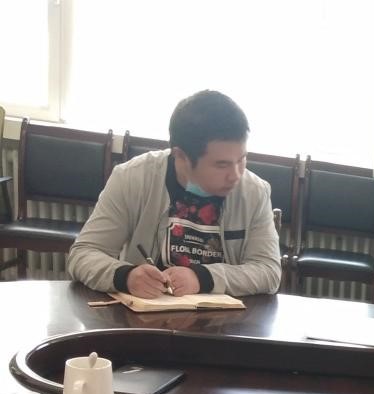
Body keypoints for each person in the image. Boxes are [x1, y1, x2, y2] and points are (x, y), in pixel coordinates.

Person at [67, 90, 281, 297]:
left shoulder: (254, 192)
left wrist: (202, 278)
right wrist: (126, 276)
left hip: (225, 318)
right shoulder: (133, 178)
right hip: (146, 313)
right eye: (221, 165)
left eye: (242, 159)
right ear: (181, 156)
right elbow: (83, 254)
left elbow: (268, 271)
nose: (235, 175)